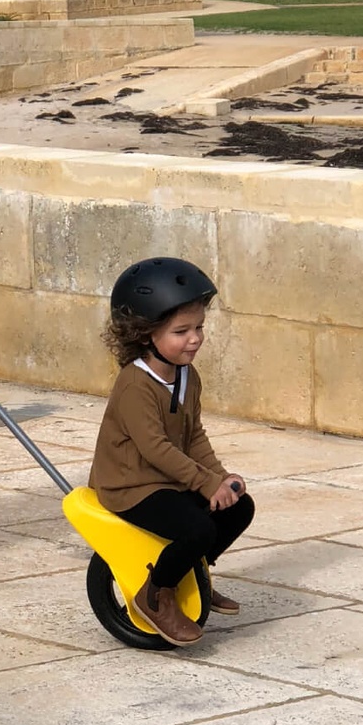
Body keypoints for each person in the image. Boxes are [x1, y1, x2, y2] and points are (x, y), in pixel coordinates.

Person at [88, 258, 255, 647]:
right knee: (197, 527)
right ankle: (156, 594)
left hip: (166, 480)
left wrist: (220, 477)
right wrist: (204, 481)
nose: (194, 338)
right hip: (131, 487)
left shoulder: (186, 375)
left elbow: (193, 433)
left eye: (198, 327)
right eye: (181, 331)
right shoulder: (135, 385)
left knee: (238, 509)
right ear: (145, 334)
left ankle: (191, 576)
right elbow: (156, 448)